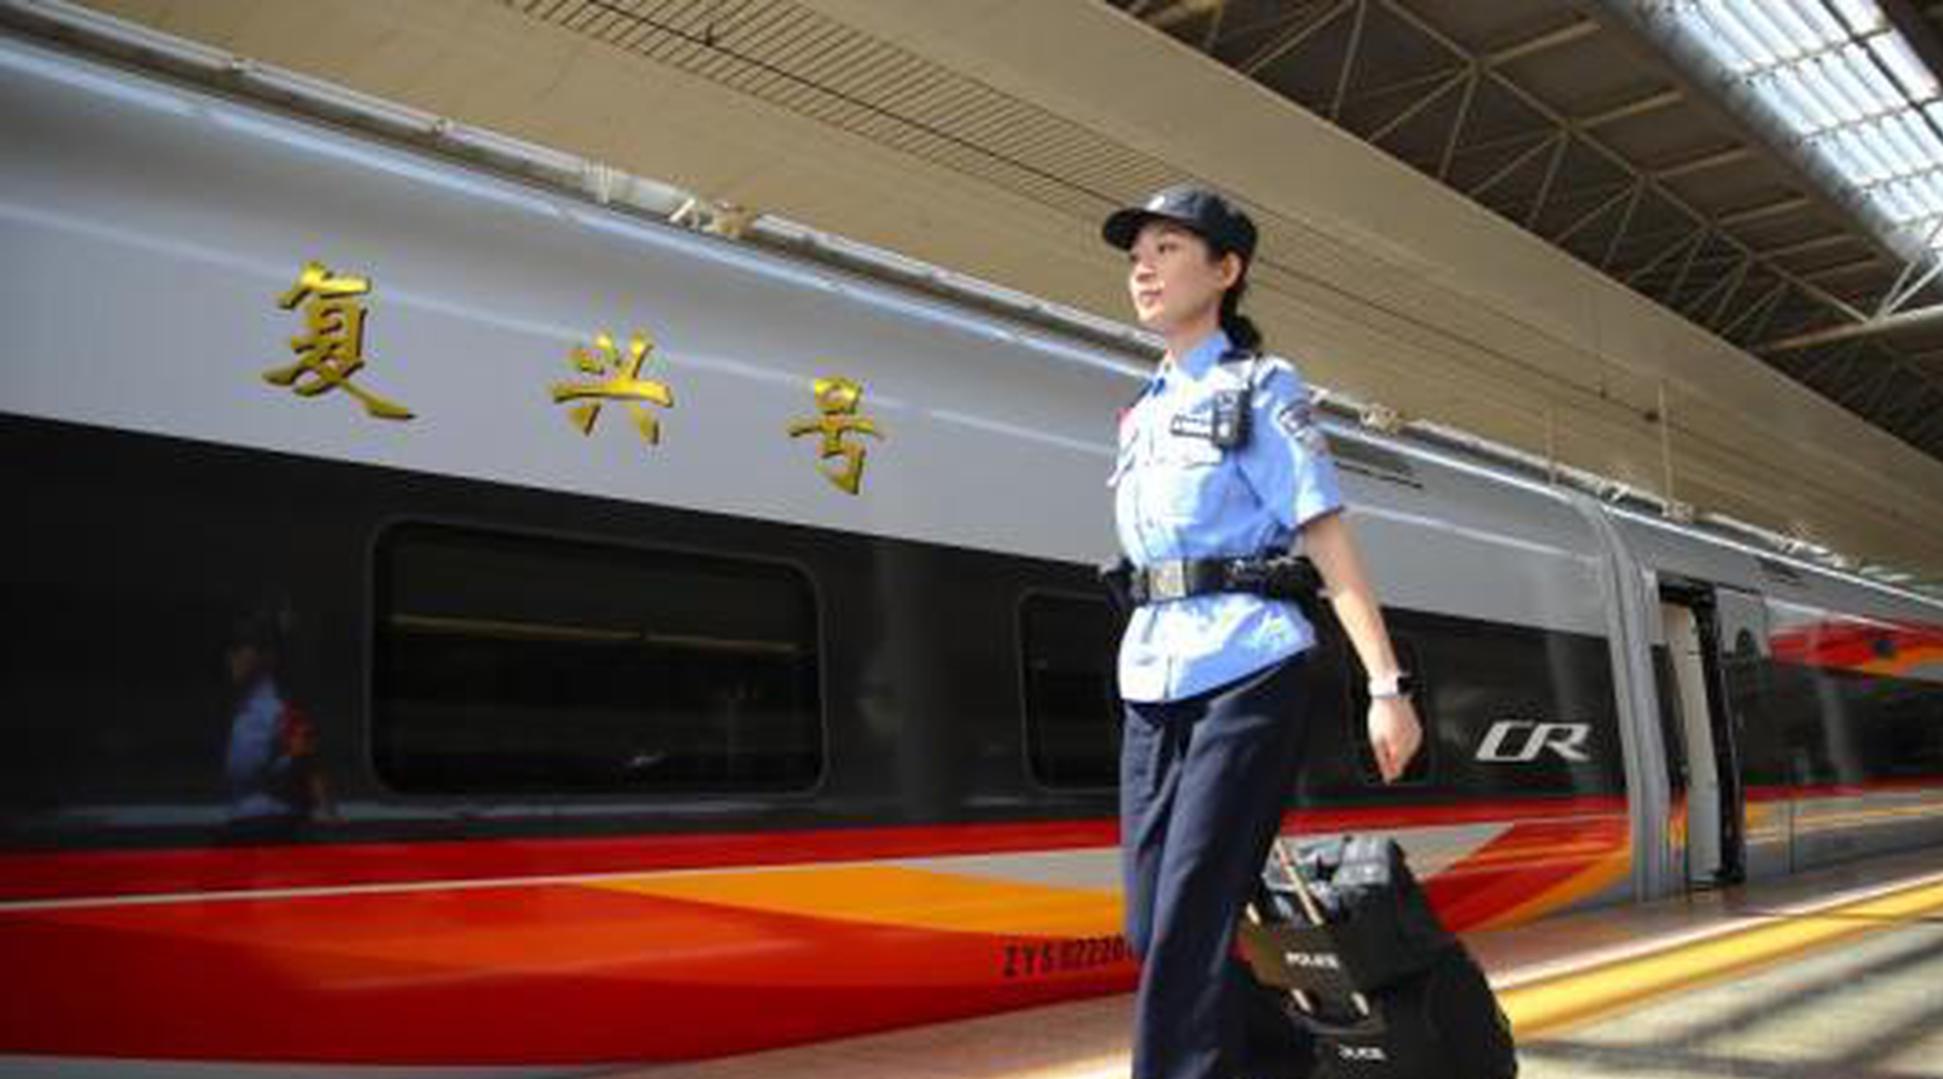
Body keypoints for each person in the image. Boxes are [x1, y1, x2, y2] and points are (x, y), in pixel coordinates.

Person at [1102, 184, 1425, 1079]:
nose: (1143, 265)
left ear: (1226, 270)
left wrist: (1386, 688)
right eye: (1138, 252)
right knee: (1149, 925)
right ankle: (1293, 1062)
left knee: (1191, 919)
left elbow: (1324, 532)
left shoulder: (1262, 388)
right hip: (1151, 675)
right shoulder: (1140, 409)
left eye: (1167, 248)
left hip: (1248, 669)